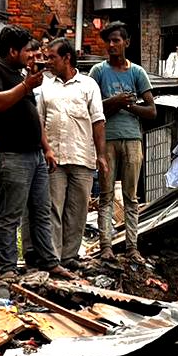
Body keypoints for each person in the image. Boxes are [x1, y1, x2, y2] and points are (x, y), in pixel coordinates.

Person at [0, 25, 63, 279]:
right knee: (10, 214)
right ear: (13, 51)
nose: (32, 55)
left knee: (41, 211)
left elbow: (33, 116)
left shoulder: (20, 75)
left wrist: (46, 148)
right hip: (11, 155)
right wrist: (25, 86)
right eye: (27, 50)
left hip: (34, 154)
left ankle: (48, 261)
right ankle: (7, 267)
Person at [89, 21, 156, 262]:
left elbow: (152, 110)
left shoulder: (137, 72)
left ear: (126, 43)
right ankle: (106, 246)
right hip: (106, 139)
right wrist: (114, 102)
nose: (111, 45)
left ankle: (132, 247)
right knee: (106, 196)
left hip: (132, 139)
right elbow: (91, 107)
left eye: (116, 40)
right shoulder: (98, 71)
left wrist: (129, 105)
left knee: (131, 196)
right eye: (108, 41)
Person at [38, 37, 106, 270]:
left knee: (77, 210)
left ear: (67, 58)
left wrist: (101, 155)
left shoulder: (88, 85)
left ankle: (70, 257)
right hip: (54, 158)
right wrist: (46, 149)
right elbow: (40, 121)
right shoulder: (46, 87)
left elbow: (98, 121)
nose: (48, 62)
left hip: (82, 157)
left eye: (52, 57)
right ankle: (54, 259)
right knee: (53, 209)